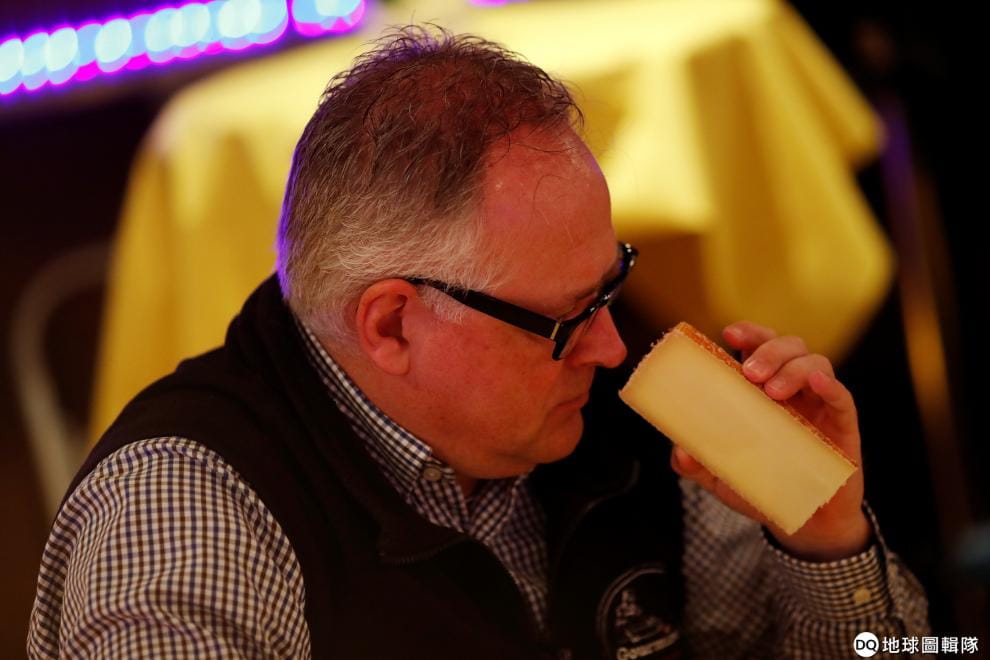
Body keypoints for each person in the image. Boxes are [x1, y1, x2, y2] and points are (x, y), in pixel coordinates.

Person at [28, 26, 928, 659]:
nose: (613, 348)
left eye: (611, 283)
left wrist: (826, 539)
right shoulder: (187, 513)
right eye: (568, 316)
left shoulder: (630, 423)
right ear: (392, 324)